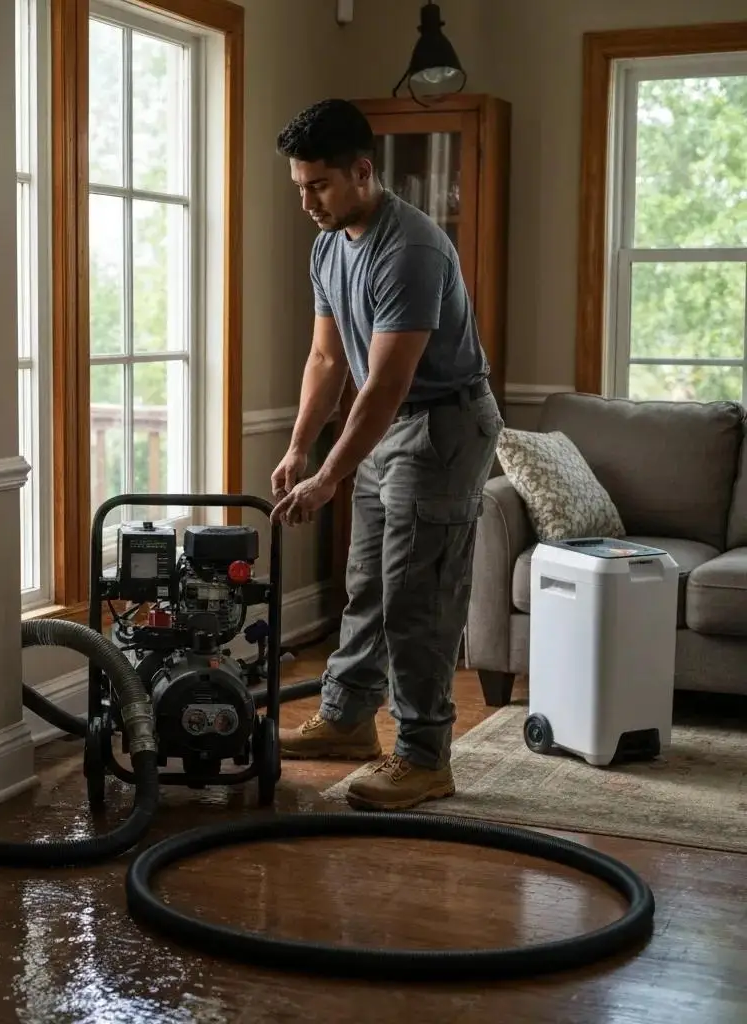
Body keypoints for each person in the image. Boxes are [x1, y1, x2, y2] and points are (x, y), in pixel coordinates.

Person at [269, 98, 503, 812]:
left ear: (363, 171)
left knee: (417, 595)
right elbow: (324, 356)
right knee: (367, 578)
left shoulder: (411, 249)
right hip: (388, 425)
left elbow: (387, 381)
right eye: (299, 187)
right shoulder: (329, 244)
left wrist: (329, 476)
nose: (307, 202)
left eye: (319, 186)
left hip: (440, 426)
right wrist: (299, 446)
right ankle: (346, 719)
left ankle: (425, 755)